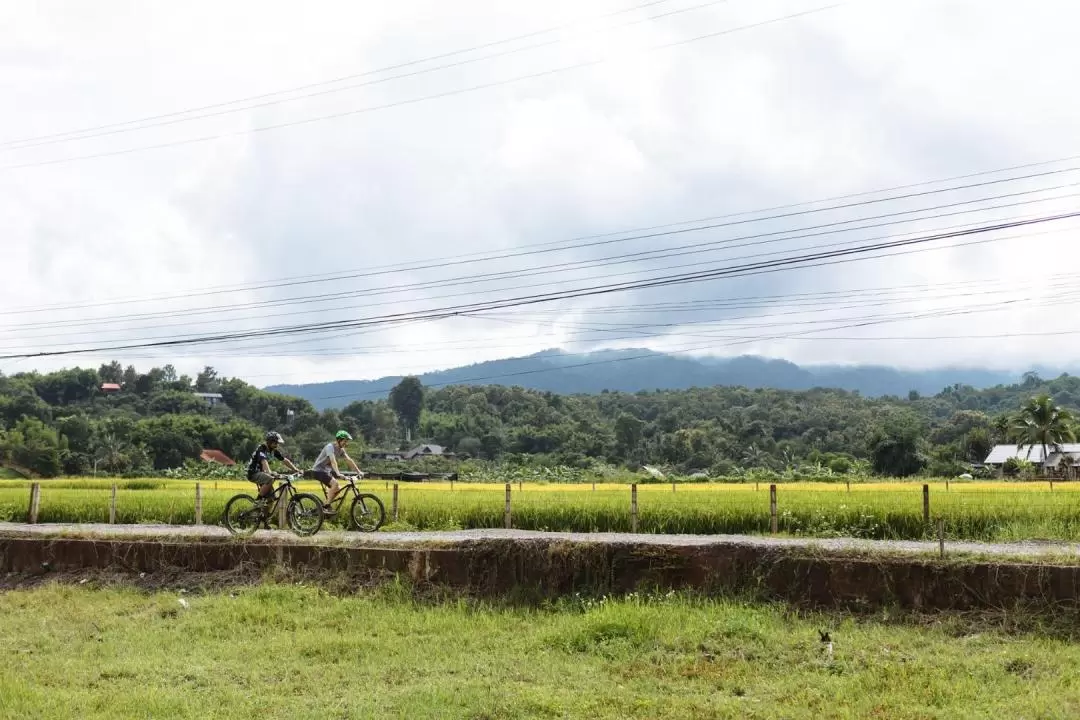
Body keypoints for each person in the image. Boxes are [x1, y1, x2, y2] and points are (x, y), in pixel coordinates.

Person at [311, 430, 362, 514]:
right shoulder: (330, 447)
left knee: (337, 489)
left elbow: (349, 460)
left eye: (347, 441)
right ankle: (326, 506)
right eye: (344, 441)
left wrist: (358, 471)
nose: (346, 443)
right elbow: (333, 460)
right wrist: (338, 473)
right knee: (335, 484)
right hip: (318, 470)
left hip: (326, 471)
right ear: (339, 440)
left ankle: (323, 506)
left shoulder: (341, 450)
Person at [246, 431, 302, 506]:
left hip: (262, 473)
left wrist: (296, 469)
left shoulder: (273, 451)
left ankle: (263, 517)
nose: (277, 445)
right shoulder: (261, 449)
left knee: (271, 499)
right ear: (270, 442)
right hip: (253, 473)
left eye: (277, 443)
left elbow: (284, 460)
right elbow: (264, 462)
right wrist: (270, 473)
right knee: (270, 479)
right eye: (275, 443)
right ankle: (258, 500)